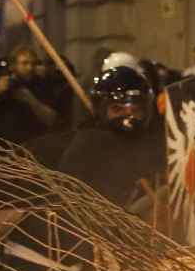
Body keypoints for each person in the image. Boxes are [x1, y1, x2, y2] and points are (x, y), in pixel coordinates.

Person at [57, 60, 164, 211]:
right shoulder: (87, 146)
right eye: (118, 109)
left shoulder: (152, 145)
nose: (128, 117)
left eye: (135, 110)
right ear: (102, 109)